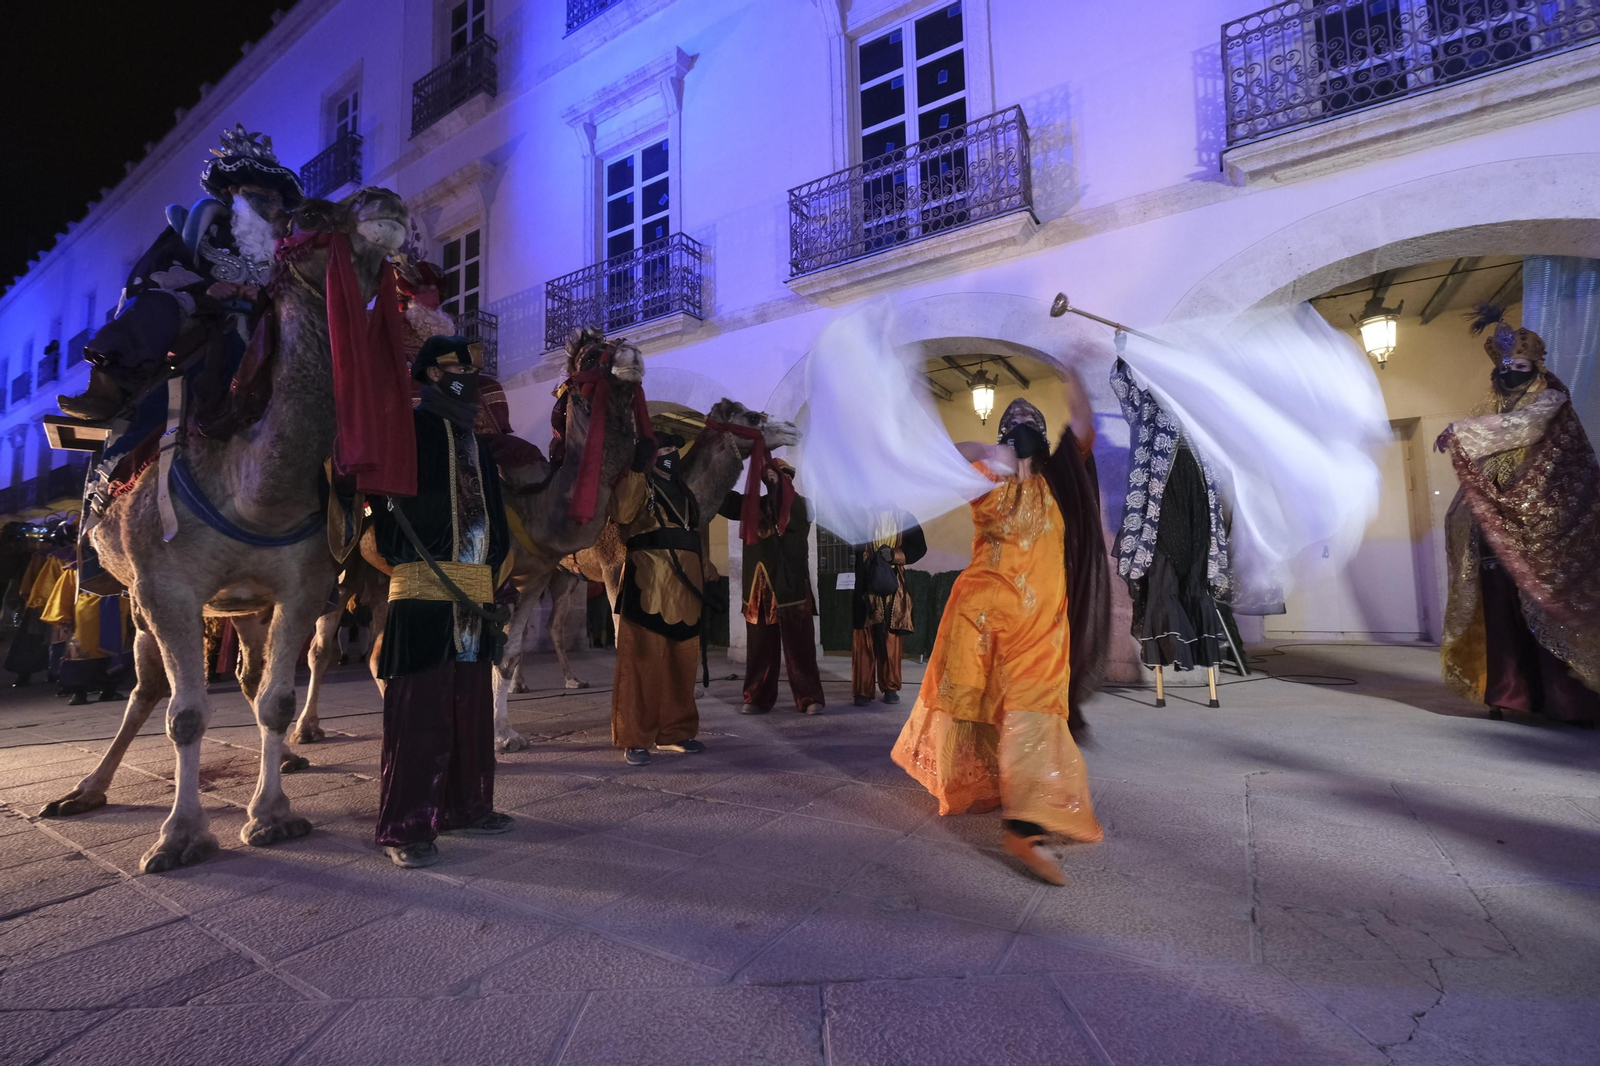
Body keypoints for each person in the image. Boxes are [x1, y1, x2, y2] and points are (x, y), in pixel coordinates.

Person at [891, 377, 1112, 886]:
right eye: (1010, 428)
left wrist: (1073, 371)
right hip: (980, 619)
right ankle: (993, 790)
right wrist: (990, 449)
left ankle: (1026, 825)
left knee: (1032, 712)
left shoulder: (1060, 479)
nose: (1019, 432)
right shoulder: (984, 474)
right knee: (977, 706)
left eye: (1027, 427)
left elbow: (1081, 424)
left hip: (1041, 626)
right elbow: (945, 452)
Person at [369, 335, 515, 867]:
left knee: (470, 710)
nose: (471, 379)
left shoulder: (476, 443)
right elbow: (383, 506)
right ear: (432, 374)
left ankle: (467, 807)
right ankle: (406, 825)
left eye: (474, 369)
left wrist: (500, 577)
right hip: (424, 590)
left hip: (475, 594)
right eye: (460, 368)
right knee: (419, 713)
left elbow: (494, 521)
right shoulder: (408, 430)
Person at [58, 125, 302, 423]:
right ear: (234, 193)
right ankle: (110, 388)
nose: (267, 205)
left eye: (273, 198)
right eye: (257, 195)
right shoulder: (199, 231)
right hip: (210, 318)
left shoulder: (290, 247)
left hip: (279, 325)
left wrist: (265, 296)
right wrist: (208, 291)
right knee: (157, 304)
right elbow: (162, 272)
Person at [1437, 307, 1600, 726]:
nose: (1511, 372)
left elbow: (1522, 426)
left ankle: (1569, 702)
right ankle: (1511, 695)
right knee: (1501, 610)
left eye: (1520, 365)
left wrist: (1461, 431)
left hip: (1544, 528)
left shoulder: (1551, 398)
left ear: (1536, 367)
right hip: (1494, 527)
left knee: (1548, 609)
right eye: (1506, 366)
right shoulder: (1492, 407)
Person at [611, 432, 707, 766]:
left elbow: (693, 533)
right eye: (663, 450)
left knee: (682, 665)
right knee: (641, 664)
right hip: (648, 583)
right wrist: (637, 468)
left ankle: (676, 733)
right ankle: (635, 738)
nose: (670, 455)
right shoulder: (640, 483)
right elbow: (622, 513)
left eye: (672, 449)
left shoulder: (684, 491)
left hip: (686, 590)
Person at [720, 459, 825, 715]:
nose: (772, 481)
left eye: (778, 476)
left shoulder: (802, 506)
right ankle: (756, 696)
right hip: (759, 590)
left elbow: (787, 513)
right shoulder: (753, 505)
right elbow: (725, 502)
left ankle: (810, 697)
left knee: (800, 647)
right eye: (767, 478)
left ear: (788, 478)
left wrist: (777, 484)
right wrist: (718, 474)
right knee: (759, 647)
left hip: (791, 589)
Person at [850, 511, 926, 706]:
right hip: (866, 585)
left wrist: (894, 555)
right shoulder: (861, 515)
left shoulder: (905, 517)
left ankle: (890, 687)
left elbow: (919, 547)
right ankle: (862, 690)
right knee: (864, 637)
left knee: (890, 639)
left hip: (893, 586)